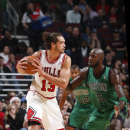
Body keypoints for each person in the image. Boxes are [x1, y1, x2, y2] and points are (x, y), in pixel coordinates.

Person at [16, 32, 71, 130]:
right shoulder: (38, 55)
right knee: (34, 125)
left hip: (51, 99)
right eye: (62, 42)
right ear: (53, 44)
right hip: (36, 95)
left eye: (64, 42)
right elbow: (23, 69)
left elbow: (63, 84)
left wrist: (43, 73)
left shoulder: (66, 59)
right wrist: (20, 68)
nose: (64, 45)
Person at [65, 48, 128, 130]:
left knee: (114, 126)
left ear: (101, 59)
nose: (90, 58)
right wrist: (62, 76)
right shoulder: (86, 72)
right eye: (90, 56)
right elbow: (69, 88)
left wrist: (119, 107)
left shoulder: (112, 74)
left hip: (114, 108)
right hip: (99, 110)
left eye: (93, 56)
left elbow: (123, 98)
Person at [59, 64, 94, 130]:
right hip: (79, 107)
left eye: (76, 73)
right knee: (69, 127)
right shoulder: (69, 81)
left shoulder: (86, 79)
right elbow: (64, 96)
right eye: (72, 73)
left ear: (79, 73)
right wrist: (58, 110)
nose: (74, 75)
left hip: (91, 106)